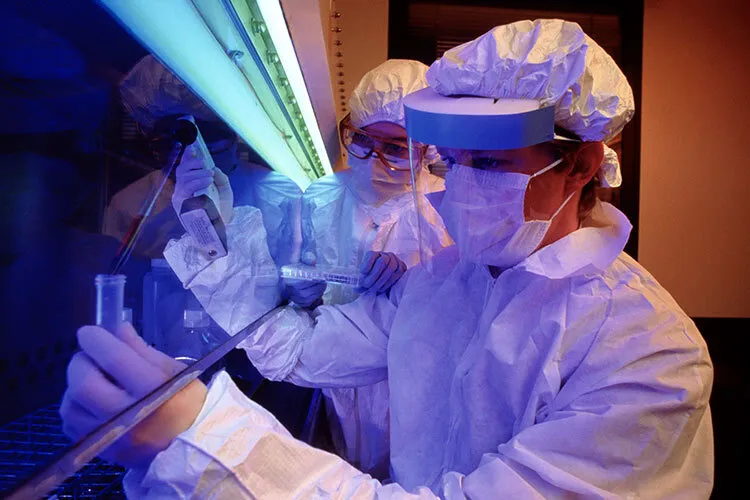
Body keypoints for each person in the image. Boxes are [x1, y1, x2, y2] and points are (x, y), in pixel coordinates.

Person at [61, 20, 713, 498]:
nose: (455, 187)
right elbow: (298, 352)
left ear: (578, 166)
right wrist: (215, 236)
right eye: (448, 161)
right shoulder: (442, 285)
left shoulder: (646, 354)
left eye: (485, 163)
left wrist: (202, 441)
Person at [285, 59, 452, 477]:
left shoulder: (447, 208)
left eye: (396, 149)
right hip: (333, 375)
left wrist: (407, 287)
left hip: (414, 385)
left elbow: (459, 307)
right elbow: (291, 286)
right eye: (362, 140)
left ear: (426, 150)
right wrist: (299, 294)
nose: (376, 160)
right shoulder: (320, 197)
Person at [104, 55, 302, 265]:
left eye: (209, 136)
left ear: (235, 129)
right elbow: (120, 287)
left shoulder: (279, 194)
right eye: (178, 137)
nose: (196, 151)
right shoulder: (129, 207)